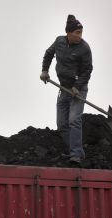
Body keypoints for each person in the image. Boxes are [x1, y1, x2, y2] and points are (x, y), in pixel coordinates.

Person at [40, 14, 93, 164]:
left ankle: (77, 154)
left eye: (81, 33)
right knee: (62, 123)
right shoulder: (59, 41)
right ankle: (74, 151)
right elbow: (49, 54)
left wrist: (77, 87)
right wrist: (45, 71)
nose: (80, 36)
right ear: (68, 33)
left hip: (79, 89)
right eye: (77, 33)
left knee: (74, 120)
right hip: (64, 88)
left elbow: (87, 70)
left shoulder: (84, 48)